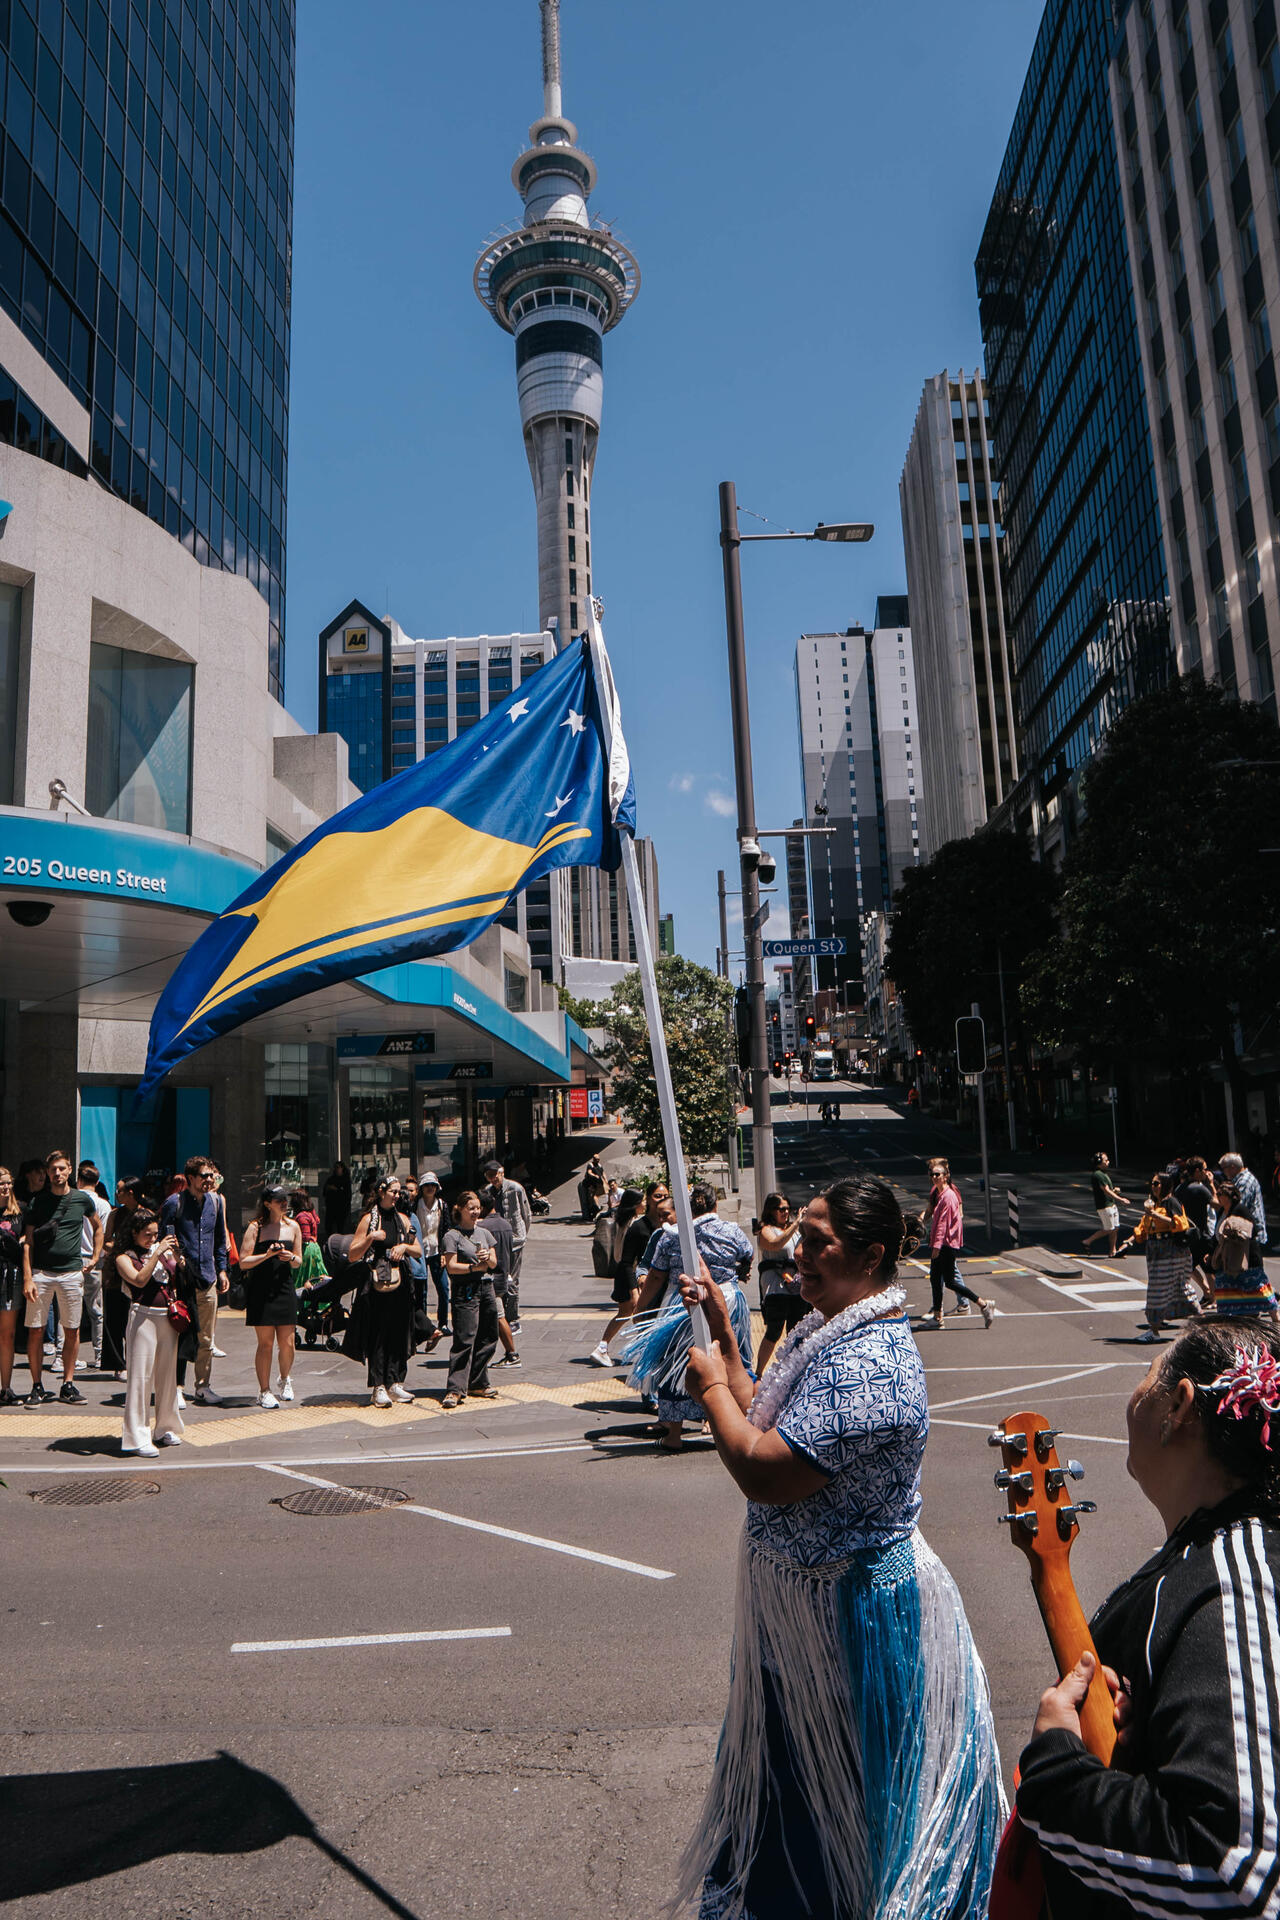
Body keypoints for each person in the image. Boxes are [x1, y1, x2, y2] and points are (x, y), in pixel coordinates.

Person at [675, 1174, 1003, 1917]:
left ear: (872, 1254)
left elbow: (765, 1469)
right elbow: (765, 1413)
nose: (799, 1257)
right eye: (801, 1240)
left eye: (817, 1244)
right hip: (804, 1615)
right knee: (795, 1790)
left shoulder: (871, 1364)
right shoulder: (831, 1325)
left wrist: (708, 1395)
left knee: (849, 1796)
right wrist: (724, 1339)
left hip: (854, 1621)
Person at [1016, 1318, 1280, 1918]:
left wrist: (1056, 1770)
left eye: (1149, 1375)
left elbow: (1235, 1872)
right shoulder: (1210, 1554)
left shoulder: (1233, 1584)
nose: (1137, 1391)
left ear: (1180, 1406)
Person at [617, 1183, 755, 1453]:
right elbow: (747, 1255)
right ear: (715, 1205)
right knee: (729, 1358)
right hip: (727, 1301)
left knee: (677, 1364)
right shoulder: (731, 1230)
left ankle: (674, 1434)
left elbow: (656, 1276)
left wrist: (641, 1309)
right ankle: (716, 1424)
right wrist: (739, 1273)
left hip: (683, 1304)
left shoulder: (672, 1235)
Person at [22, 1149, 102, 1406]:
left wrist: (95, 1256)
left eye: (61, 1169)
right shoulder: (38, 1202)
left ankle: (68, 1384)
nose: (57, 1173)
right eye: (53, 1169)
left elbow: (98, 1227)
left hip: (71, 1273)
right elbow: (28, 1242)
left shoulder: (81, 1199)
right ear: (47, 1173)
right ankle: (37, 1386)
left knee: (72, 1330)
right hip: (42, 1274)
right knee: (36, 1331)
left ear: (70, 1171)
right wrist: (28, 1277)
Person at [343, 1174, 420, 1407]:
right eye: (393, 1192)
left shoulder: (403, 1219)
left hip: (400, 1282)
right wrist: (370, 1238)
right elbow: (352, 1254)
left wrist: (404, 1246)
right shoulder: (369, 1219)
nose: (397, 1196)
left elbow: (418, 1250)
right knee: (378, 1334)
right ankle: (378, 1386)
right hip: (376, 1283)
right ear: (380, 1192)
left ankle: (395, 1382)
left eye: (399, 1192)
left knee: (399, 1331)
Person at [160, 1157, 229, 1406]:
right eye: (204, 1176)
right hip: (181, 1279)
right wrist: (175, 1259)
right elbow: (164, 1238)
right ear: (190, 1179)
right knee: (180, 1332)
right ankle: (176, 1386)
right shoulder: (174, 1203)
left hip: (208, 1276)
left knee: (206, 1337)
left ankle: (202, 1386)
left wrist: (222, 1270)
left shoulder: (216, 1202)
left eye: (211, 1175)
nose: (209, 1180)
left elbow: (220, 1239)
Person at [116, 1210, 184, 1456]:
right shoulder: (124, 1257)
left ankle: (163, 1427)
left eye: (156, 1234)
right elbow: (139, 1280)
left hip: (167, 1317)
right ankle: (136, 1436)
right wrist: (157, 1253)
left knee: (167, 1377)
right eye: (147, 1234)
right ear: (134, 1233)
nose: (153, 1238)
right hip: (142, 1317)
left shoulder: (161, 1253)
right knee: (140, 1379)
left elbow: (179, 1273)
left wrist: (177, 1257)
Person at [587, 1184, 672, 1367]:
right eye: (657, 1195)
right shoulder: (638, 1227)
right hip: (633, 1278)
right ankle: (606, 1347)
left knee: (632, 1314)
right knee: (632, 1312)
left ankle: (634, 1349)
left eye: (665, 1195)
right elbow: (626, 1261)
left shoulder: (667, 1226)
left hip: (651, 1280)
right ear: (648, 1198)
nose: (662, 1199)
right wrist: (634, 1289)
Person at [238, 1185, 302, 1407]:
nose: (284, 1203)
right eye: (278, 1200)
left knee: (288, 1343)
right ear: (267, 1203)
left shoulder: (293, 1227)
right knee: (265, 1344)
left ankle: (284, 1379)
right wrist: (267, 1255)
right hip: (261, 1291)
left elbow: (299, 1261)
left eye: (285, 1199)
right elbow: (243, 1262)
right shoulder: (256, 1228)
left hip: (285, 1288)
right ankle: (264, 1390)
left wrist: (289, 1257)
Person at [440, 1191, 501, 1410]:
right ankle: (455, 1388)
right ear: (460, 1210)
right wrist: (474, 1267)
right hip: (465, 1289)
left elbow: (494, 1262)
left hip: (486, 1287)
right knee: (465, 1338)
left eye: (477, 1208)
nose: (476, 1212)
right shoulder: (452, 1236)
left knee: (488, 1335)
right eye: (471, 1208)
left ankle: (478, 1382)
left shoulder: (484, 1233)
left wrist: (488, 1259)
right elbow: (451, 1266)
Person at [1118, 1171, 1195, 1343]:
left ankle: (1158, 1328)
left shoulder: (1171, 1202)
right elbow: (1143, 1228)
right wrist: (1131, 1240)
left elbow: (1181, 1224)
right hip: (1155, 1251)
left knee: (1168, 1288)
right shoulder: (1154, 1204)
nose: (1153, 1187)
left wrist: (1155, 1215)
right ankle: (1157, 1328)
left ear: (1166, 1185)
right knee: (1162, 1288)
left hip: (1170, 1251)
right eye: (1152, 1184)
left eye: (1156, 1184)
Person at [918, 1163, 995, 1330]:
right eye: (932, 1174)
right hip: (943, 1243)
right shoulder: (939, 1194)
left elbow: (943, 1224)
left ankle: (983, 1304)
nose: (934, 1177)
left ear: (945, 1176)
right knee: (935, 1279)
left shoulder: (948, 1196)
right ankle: (938, 1318)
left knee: (950, 1282)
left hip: (945, 1244)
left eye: (938, 1174)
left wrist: (937, 1246)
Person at [1206, 1177, 1278, 1318]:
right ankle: (1238, 1318)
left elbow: (1253, 1231)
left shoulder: (1240, 1210)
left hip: (1246, 1257)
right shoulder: (1222, 1212)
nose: (1219, 1197)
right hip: (1227, 1258)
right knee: (1229, 1288)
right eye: (1218, 1194)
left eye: (1222, 1194)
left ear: (1230, 1196)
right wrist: (1212, 1252)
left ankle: (1275, 1317)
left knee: (1257, 1287)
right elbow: (1217, 1234)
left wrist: (1234, 1234)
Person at [755, 1191, 805, 1373]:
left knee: (796, 1331)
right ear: (771, 1211)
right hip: (776, 1288)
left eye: (787, 1209)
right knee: (774, 1331)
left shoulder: (794, 1229)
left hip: (796, 1286)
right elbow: (776, 1244)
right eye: (780, 1209)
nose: (785, 1212)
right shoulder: (766, 1230)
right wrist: (796, 1224)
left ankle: (793, 1369)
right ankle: (759, 1372)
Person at [100, 1177, 144, 1377]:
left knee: (137, 1318)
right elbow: (106, 1240)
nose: (117, 1194)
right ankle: (118, 1364)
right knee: (114, 1318)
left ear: (131, 1193)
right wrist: (119, 1250)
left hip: (139, 1270)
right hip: (115, 1271)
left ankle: (137, 1361)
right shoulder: (115, 1215)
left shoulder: (145, 1214)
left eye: (120, 1191)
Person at [482, 1158, 531, 1333]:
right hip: (495, 1241)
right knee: (498, 1278)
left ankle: (513, 1318)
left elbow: (526, 1214)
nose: (493, 1179)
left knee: (512, 1281)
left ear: (502, 1173)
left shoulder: (515, 1189)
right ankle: (499, 1316)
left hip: (515, 1240)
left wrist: (522, 1234)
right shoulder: (487, 1192)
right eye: (489, 1176)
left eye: (495, 1175)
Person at [73, 1161, 112, 1371]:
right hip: (95, 1258)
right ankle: (99, 1356)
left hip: (73, 1259)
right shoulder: (104, 1205)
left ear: (79, 1180)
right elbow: (104, 1233)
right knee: (96, 1310)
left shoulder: (71, 1200)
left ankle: (64, 1357)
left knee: (70, 1311)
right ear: (97, 1182)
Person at [479, 1195, 521, 1369]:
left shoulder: (482, 1227)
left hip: (490, 1278)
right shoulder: (505, 1224)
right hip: (504, 1275)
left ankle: (512, 1355)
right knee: (495, 1316)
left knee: (499, 1316)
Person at [1219, 1150, 1269, 1270]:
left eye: (1224, 1168)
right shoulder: (1239, 1180)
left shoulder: (1244, 1182)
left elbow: (1237, 1207)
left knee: (1251, 1273)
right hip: (1246, 1233)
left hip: (1249, 1234)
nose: (1223, 1172)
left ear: (1232, 1167)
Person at [0, 1168, 24, 1405]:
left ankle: (6, 1388)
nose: (5, 1187)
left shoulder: (20, 1212)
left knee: (7, 1335)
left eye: (8, 1183)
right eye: (1, 1184)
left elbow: (26, 1244)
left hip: (11, 1275)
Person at [415, 1171, 449, 1332]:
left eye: (433, 1185)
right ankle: (425, 1326)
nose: (430, 1188)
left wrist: (445, 1252)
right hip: (419, 1252)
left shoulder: (442, 1205)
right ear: (421, 1188)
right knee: (421, 1290)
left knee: (443, 1288)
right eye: (426, 1185)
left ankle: (443, 1323)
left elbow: (446, 1230)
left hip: (437, 1251)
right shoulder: (415, 1205)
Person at [1084, 1150, 1128, 1255]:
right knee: (1108, 1229)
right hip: (1104, 1206)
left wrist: (1114, 1191)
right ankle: (1087, 1241)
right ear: (1099, 1162)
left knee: (1115, 1228)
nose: (1108, 1162)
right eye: (1106, 1160)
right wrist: (1121, 1199)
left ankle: (1113, 1251)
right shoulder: (1098, 1175)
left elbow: (1107, 1190)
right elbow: (1106, 1190)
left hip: (1111, 1204)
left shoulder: (1103, 1174)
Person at [321, 1161, 352, 1240]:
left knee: (340, 1226)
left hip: (341, 1207)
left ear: (342, 1168)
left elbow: (347, 1195)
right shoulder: (331, 1179)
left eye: (338, 1167)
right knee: (329, 1226)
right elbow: (324, 1192)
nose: (337, 1169)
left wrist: (336, 1189)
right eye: (335, 1167)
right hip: (331, 1206)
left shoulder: (346, 1180)